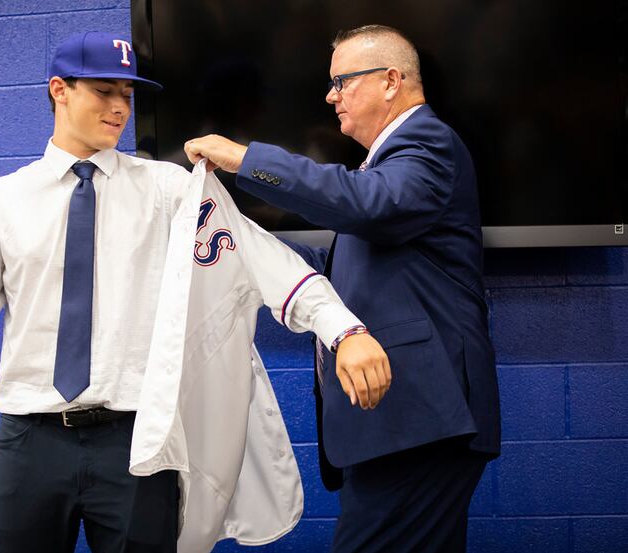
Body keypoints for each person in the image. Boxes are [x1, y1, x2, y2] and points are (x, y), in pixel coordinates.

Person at [0, 31, 391, 553]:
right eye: (103, 91)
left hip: (137, 443)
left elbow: (264, 260)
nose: (119, 107)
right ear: (59, 90)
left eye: (127, 95)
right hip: (29, 440)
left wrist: (341, 329)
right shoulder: (1, 202)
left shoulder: (169, 190)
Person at [185, 24, 500, 553]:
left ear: (391, 81)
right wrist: (242, 242)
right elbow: (342, 263)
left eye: (342, 81)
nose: (331, 96)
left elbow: (368, 204)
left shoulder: (428, 143)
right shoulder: (388, 163)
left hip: (417, 419)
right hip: (406, 424)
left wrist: (246, 160)